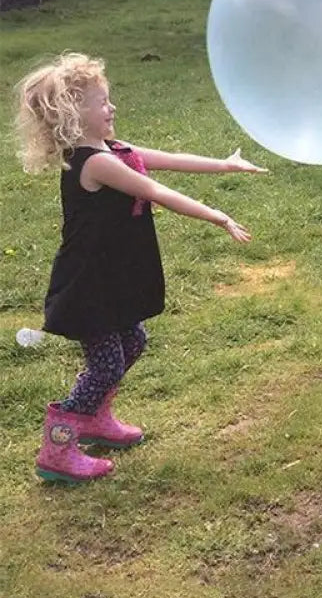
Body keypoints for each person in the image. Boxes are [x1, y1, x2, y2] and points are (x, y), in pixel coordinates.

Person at [13, 52, 266, 483]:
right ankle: (58, 444)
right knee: (107, 364)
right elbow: (156, 190)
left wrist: (224, 164)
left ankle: (94, 418)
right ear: (76, 114)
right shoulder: (95, 163)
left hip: (109, 277)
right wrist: (217, 216)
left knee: (133, 340)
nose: (111, 109)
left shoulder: (112, 149)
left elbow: (166, 158)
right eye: (102, 102)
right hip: (87, 283)